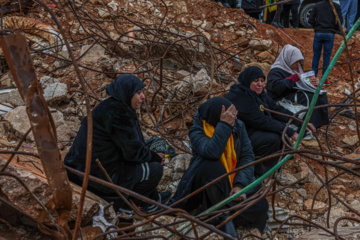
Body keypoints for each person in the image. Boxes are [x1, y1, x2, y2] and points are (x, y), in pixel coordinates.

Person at [64, 74, 171, 214]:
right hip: (96, 176)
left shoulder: (110, 106)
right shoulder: (119, 114)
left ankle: (152, 201)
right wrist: (156, 157)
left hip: (78, 168)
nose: (143, 97)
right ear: (127, 93)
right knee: (154, 169)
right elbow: (133, 153)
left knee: (144, 163)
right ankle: (123, 207)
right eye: (138, 93)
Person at [168, 97, 269, 238]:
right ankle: (222, 216)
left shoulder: (238, 125)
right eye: (228, 116)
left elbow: (247, 156)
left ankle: (216, 214)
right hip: (206, 183)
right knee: (211, 165)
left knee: (261, 205)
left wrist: (239, 185)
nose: (233, 119)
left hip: (231, 180)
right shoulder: (197, 130)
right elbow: (212, 152)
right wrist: (225, 126)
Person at [225, 66, 314, 176]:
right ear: (248, 81)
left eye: (262, 81)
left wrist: (299, 122)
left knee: (279, 132)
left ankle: (273, 167)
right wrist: (289, 131)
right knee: (273, 137)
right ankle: (259, 171)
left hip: (252, 130)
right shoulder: (240, 97)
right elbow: (261, 121)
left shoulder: (259, 94)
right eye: (256, 81)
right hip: (238, 137)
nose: (260, 84)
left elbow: (275, 109)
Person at [266, 44, 329, 129]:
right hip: (280, 98)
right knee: (310, 98)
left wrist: (314, 82)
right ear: (289, 58)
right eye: (296, 62)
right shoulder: (276, 71)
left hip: (292, 93)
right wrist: (292, 79)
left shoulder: (294, 70)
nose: (298, 65)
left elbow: (302, 83)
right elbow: (275, 87)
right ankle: (307, 126)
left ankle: (317, 124)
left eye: (300, 62)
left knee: (320, 95)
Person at [309, 0, 342, 84]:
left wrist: (316, 27)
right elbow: (340, 21)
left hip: (319, 33)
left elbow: (310, 20)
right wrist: (334, 29)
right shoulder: (336, 6)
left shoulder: (317, 5)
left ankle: (314, 77)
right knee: (326, 57)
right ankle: (324, 79)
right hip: (329, 33)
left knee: (316, 56)